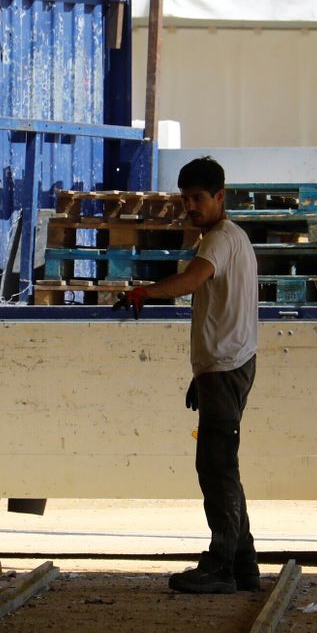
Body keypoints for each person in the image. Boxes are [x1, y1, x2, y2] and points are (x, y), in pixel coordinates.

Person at [123, 157, 259, 595]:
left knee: (216, 468)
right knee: (221, 466)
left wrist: (144, 292)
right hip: (224, 367)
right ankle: (244, 564)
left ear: (220, 197)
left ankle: (222, 566)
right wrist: (201, 375)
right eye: (186, 199)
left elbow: (190, 282)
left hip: (225, 368)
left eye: (198, 198)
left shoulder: (219, 240)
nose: (191, 207)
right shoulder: (233, 238)